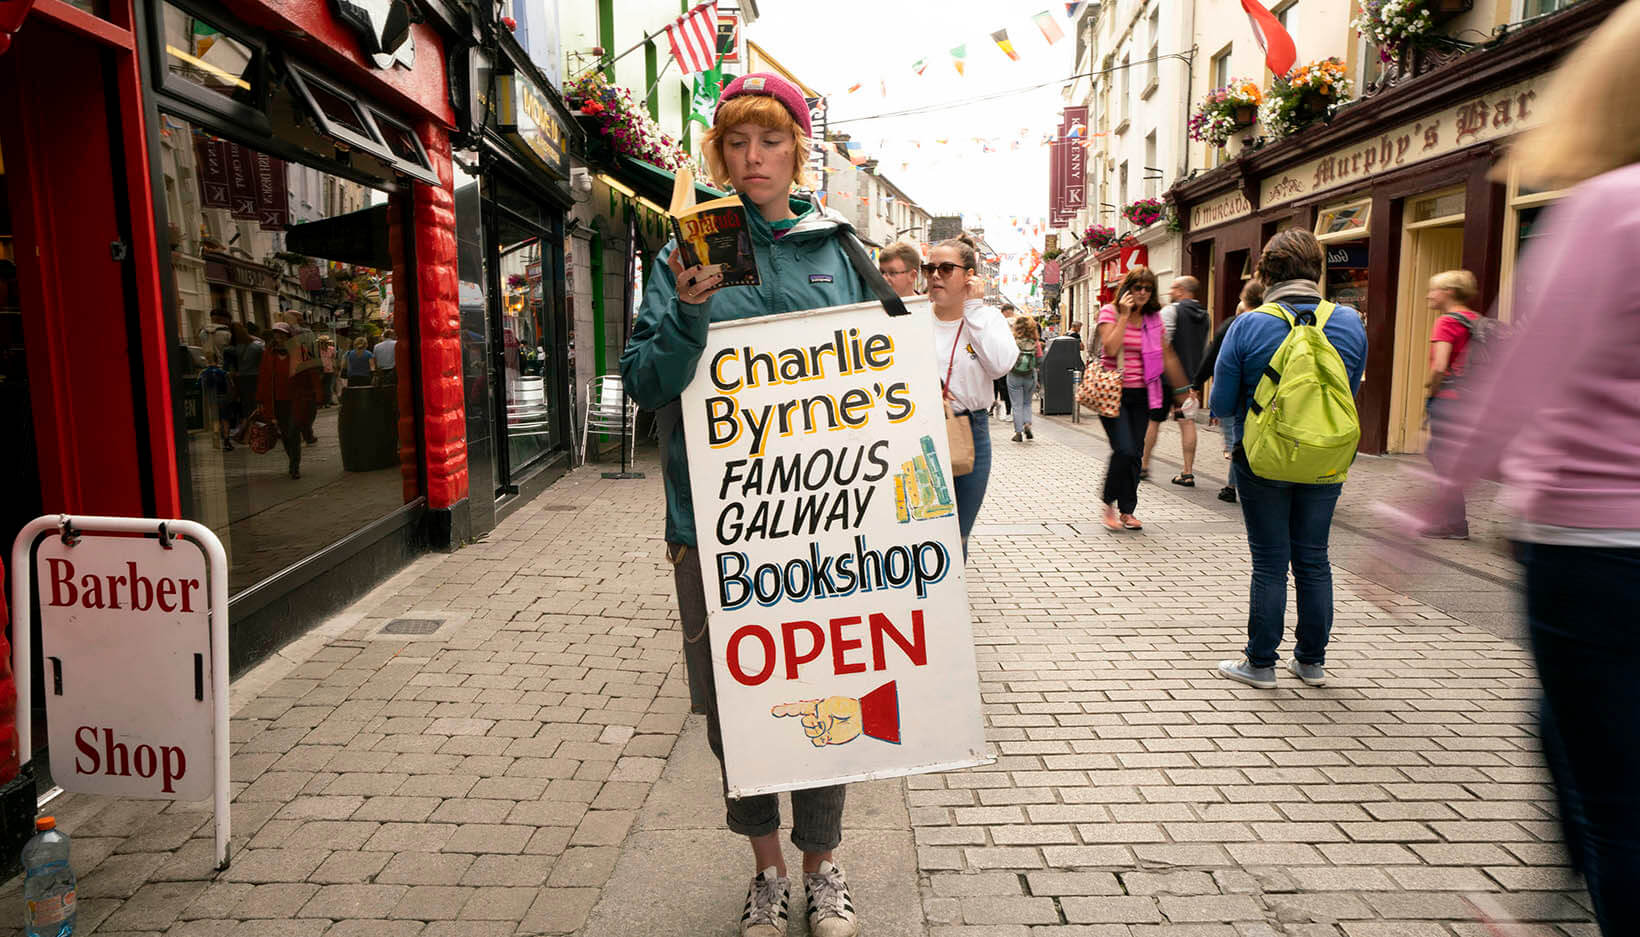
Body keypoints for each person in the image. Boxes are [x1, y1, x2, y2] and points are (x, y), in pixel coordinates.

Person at [619, 71, 877, 937]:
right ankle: (766, 872)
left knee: (827, 693)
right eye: (736, 142)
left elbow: (881, 373)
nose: (753, 157)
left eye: (769, 140)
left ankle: (823, 865)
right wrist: (688, 315)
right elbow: (644, 382)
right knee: (738, 711)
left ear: (798, 150)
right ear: (718, 153)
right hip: (717, 524)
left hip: (827, 517)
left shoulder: (836, 247)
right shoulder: (682, 253)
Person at [1430, 8, 1640, 927]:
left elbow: (1516, 382)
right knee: (1568, 729)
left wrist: (1420, 513)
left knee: (1616, 796)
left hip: (1591, 540)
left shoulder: (1607, 208)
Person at [1211, 231, 1366, 690]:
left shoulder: (1249, 324)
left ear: (1266, 273)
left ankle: (1260, 665)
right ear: (1318, 268)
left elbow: (1220, 403)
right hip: (1325, 456)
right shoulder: (1350, 323)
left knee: (1270, 561)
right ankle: (1312, 661)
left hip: (1262, 459)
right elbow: (1350, 389)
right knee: (1314, 559)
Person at [928, 237, 1017, 552]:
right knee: (923, 533)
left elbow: (999, 367)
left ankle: (951, 601)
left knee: (958, 535)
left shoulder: (987, 319)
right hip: (920, 432)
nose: (935, 275)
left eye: (946, 268)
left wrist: (975, 310)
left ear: (969, 276)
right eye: (930, 268)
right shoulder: (913, 318)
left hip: (969, 431)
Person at [1095, 267, 1195, 532]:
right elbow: (1111, 348)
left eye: (1147, 288)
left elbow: (1167, 356)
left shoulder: (1154, 319)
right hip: (1113, 394)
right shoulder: (1110, 312)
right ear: (1127, 288)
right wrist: (1125, 316)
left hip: (1144, 394)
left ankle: (1127, 511)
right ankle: (1108, 502)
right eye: (1137, 287)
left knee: (1136, 454)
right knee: (1124, 450)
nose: (1142, 292)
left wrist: (1183, 390)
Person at [1419, 269, 1482, 539]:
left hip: (1448, 400)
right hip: (1471, 401)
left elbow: (1441, 366)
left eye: (1434, 289)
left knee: (1442, 459)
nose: (1428, 295)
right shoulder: (1475, 320)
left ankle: (1453, 524)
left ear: (1449, 292)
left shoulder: (1445, 322)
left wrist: (1430, 388)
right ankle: (1454, 521)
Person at [1196, 279, 1265, 503]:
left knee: (1238, 441)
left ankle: (1234, 485)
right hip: (1268, 398)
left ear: (1244, 299)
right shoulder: (1280, 324)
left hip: (1239, 398)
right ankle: (1240, 483)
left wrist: (1198, 385)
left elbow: (1214, 358)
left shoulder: (1236, 324)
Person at [1143, 276, 1211, 487]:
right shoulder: (1205, 315)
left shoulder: (1171, 311)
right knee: (1187, 422)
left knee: (1153, 421)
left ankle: (1143, 466)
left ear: (1182, 291)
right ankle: (1188, 472)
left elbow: (1161, 345)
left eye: (1173, 288)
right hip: (1189, 380)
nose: (1171, 291)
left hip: (1165, 379)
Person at [256, 322, 322, 479]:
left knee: (293, 431)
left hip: (296, 399)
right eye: (276, 334)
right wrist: (260, 399)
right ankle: (292, 460)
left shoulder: (300, 351)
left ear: (289, 336)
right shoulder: (269, 353)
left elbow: (312, 373)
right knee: (285, 434)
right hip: (276, 400)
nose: (279, 337)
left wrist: (317, 394)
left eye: (282, 334)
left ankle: (294, 466)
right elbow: (263, 377)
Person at [1006, 312, 1043, 442]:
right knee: (1027, 402)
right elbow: (1040, 360)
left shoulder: (1013, 341)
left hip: (1014, 375)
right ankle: (1027, 424)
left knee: (1016, 404)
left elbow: (1007, 359)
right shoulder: (1035, 342)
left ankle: (1018, 433)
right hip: (1030, 375)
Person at [225, 320, 263, 423]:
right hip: (256, 376)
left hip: (242, 378)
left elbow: (229, 367)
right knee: (257, 402)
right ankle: (258, 425)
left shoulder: (232, 348)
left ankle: (249, 427)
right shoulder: (257, 345)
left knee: (246, 404)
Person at [991, 303, 1017, 419]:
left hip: (999, 359)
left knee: (1000, 386)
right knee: (1010, 388)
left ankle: (1003, 410)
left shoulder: (998, 323)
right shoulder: (1017, 323)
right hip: (1013, 361)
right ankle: (1013, 412)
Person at [317, 336, 338, 406]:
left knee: (328, 387)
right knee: (321, 387)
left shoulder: (331, 349)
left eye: (324, 343)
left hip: (330, 370)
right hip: (321, 371)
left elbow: (333, 359)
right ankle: (321, 402)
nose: (323, 344)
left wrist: (335, 369)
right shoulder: (317, 351)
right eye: (321, 343)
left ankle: (327, 402)